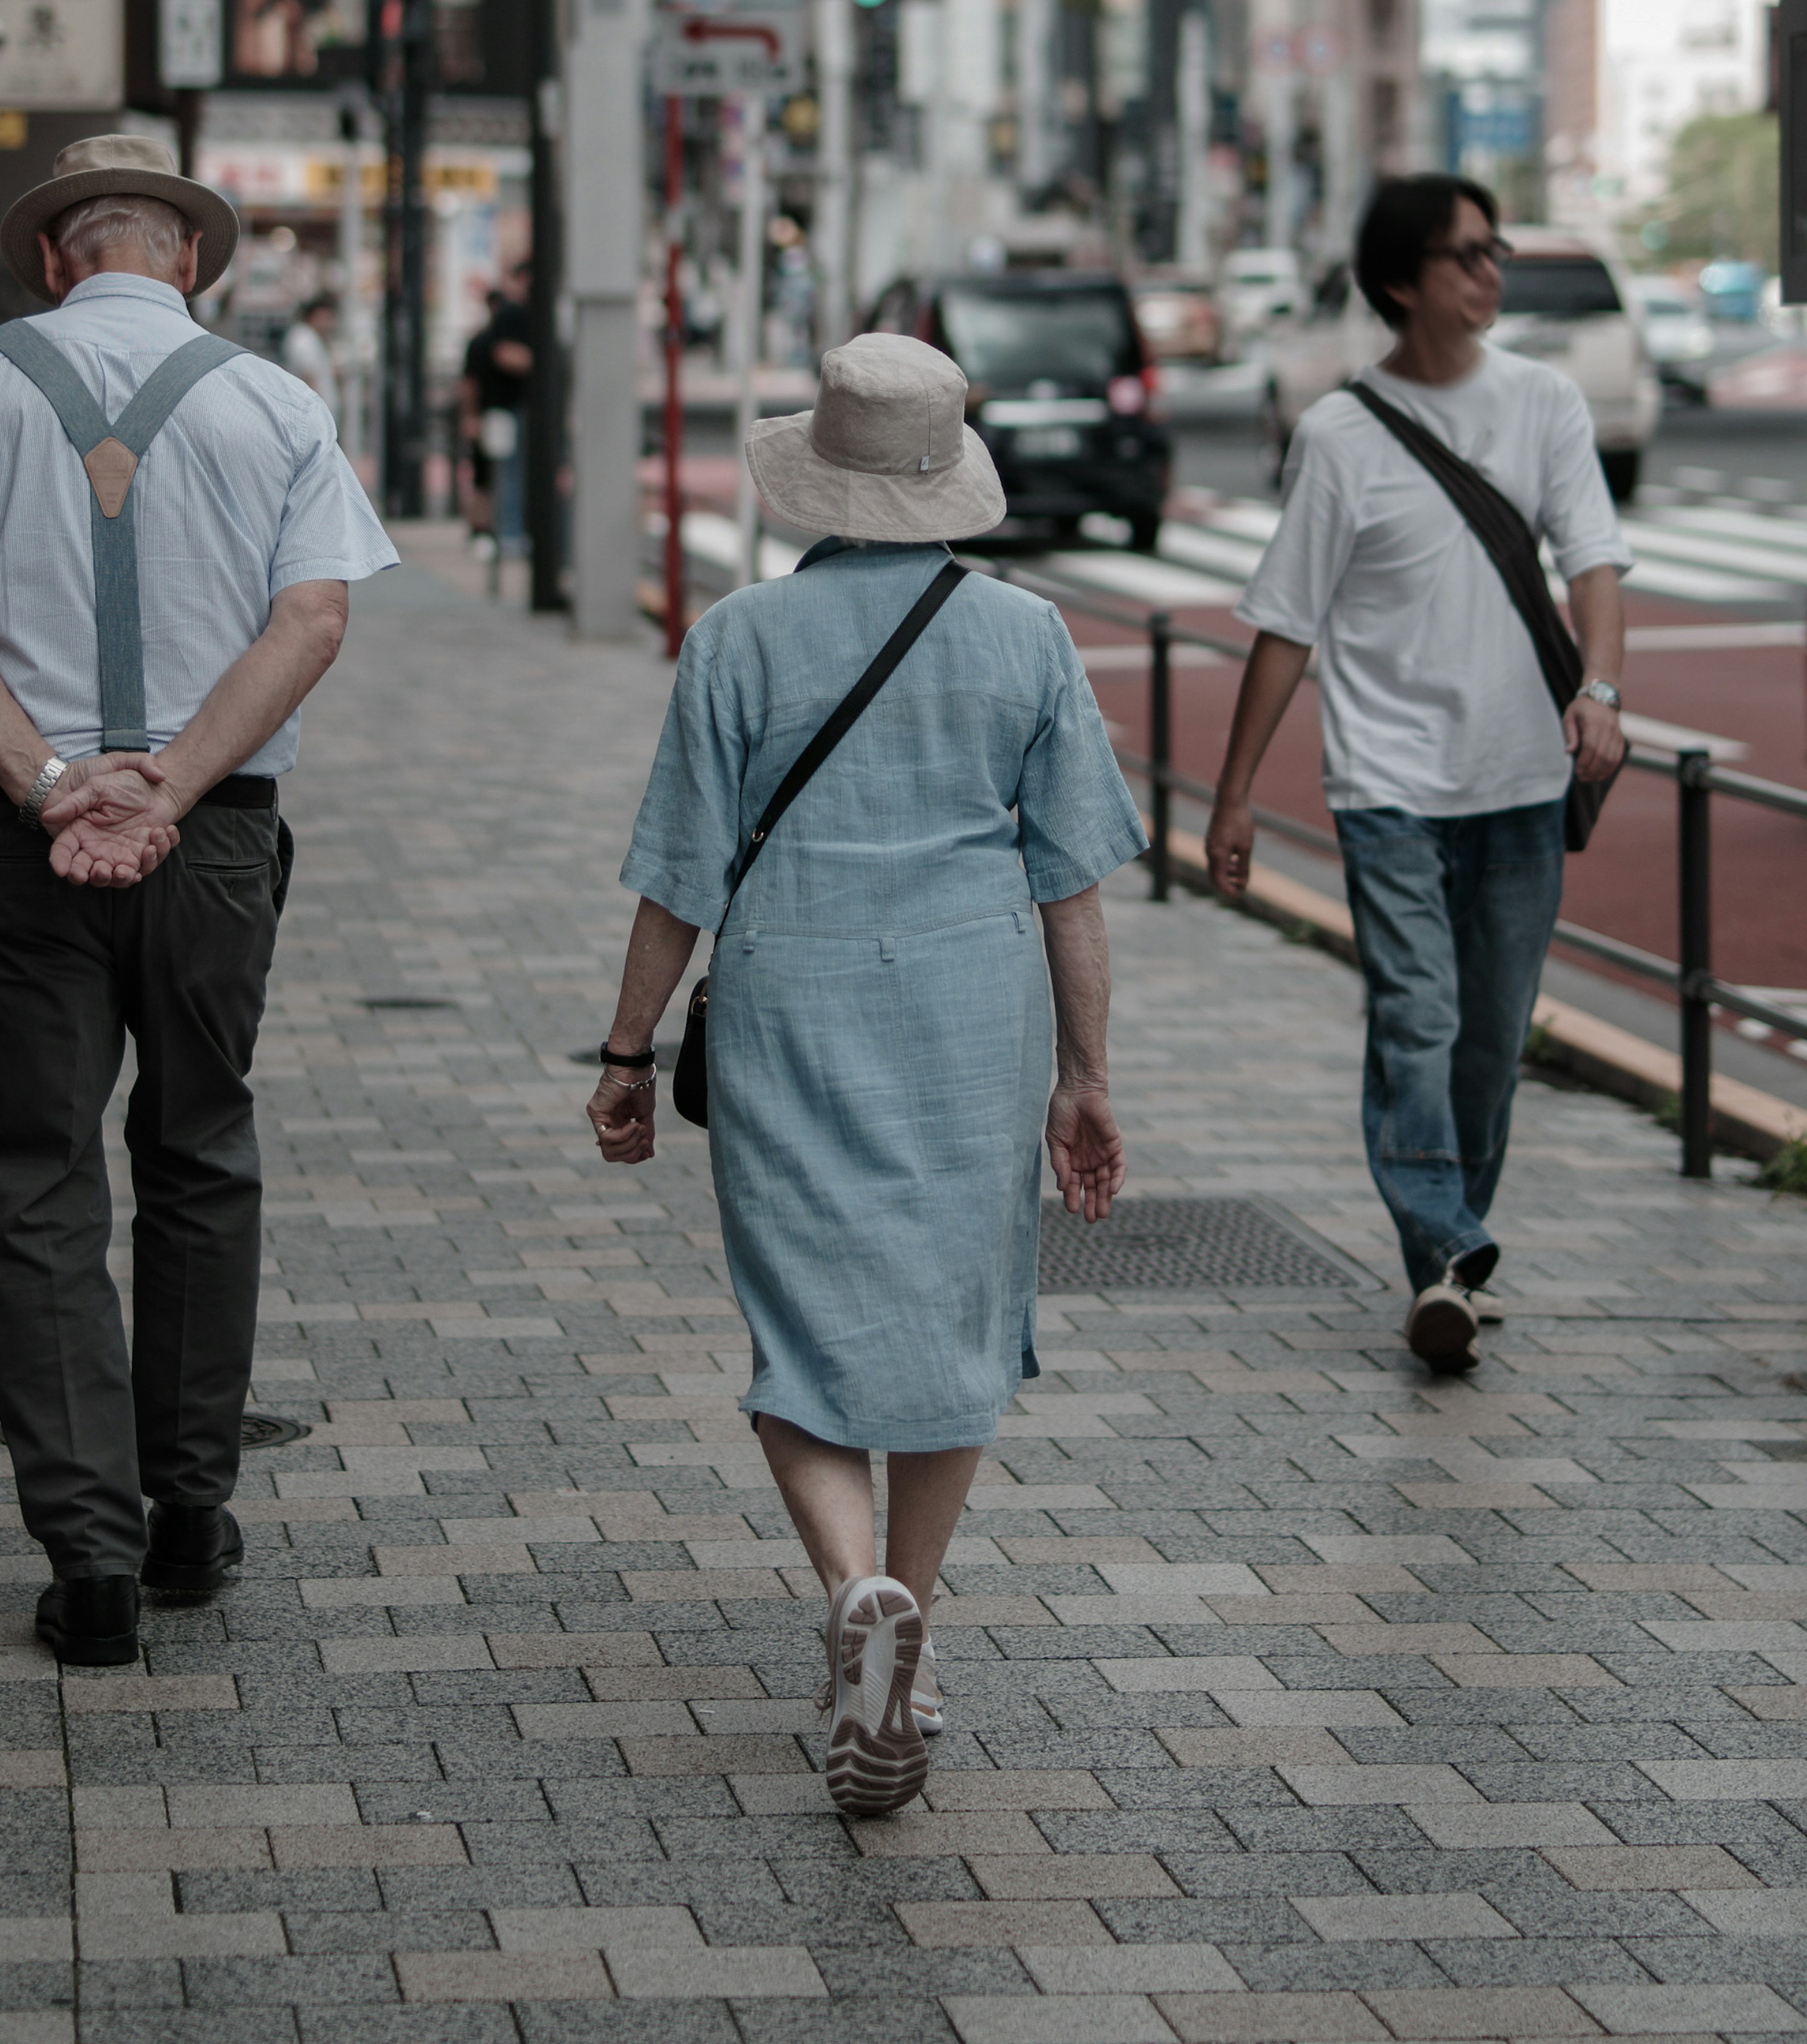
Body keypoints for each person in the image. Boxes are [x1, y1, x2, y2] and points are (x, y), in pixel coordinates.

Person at [0, 130, 397, 1670]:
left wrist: (45, 781)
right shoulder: (277, 399)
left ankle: (85, 1554)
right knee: (200, 1150)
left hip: (19, 840)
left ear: (51, 261)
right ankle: (188, 1514)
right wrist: (169, 787)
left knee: (30, 1170)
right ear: (190, 261)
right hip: (210, 836)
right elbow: (314, 617)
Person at [586, 333, 1144, 1814]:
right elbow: (1070, 884)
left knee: (799, 1314)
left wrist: (627, 1050)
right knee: (960, 1314)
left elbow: (676, 875)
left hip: (789, 994)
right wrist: (1083, 1076)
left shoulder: (737, 639)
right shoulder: (1023, 634)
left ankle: (847, 1594)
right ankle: (911, 1603)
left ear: (816, 474)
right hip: (971, 1002)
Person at [1209, 171, 1629, 1377]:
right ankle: (1445, 1252)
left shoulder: (1544, 401)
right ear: (1402, 283)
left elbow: (1595, 563)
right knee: (1418, 1017)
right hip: (1387, 784)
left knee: (1490, 1040)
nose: (1493, 272)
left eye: (1495, 250)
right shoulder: (1341, 436)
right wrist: (1236, 794)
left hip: (1520, 780)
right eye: (1466, 256)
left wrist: (1598, 691)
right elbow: (1286, 627)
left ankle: (1455, 1242)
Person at [458, 259, 533, 557]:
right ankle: (505, 533)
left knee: (493, 475)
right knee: (501, 474)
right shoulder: (494, 334)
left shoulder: (481, 339)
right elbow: (472, 382)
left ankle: (493, 531)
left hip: (501, 410)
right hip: (503, 410)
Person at [280, 289, 340, 410]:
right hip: (313, 416)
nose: (330, 323)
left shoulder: (314, 338)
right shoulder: (304, 338)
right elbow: (308, 376)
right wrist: (314, 411)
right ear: (316, 316)